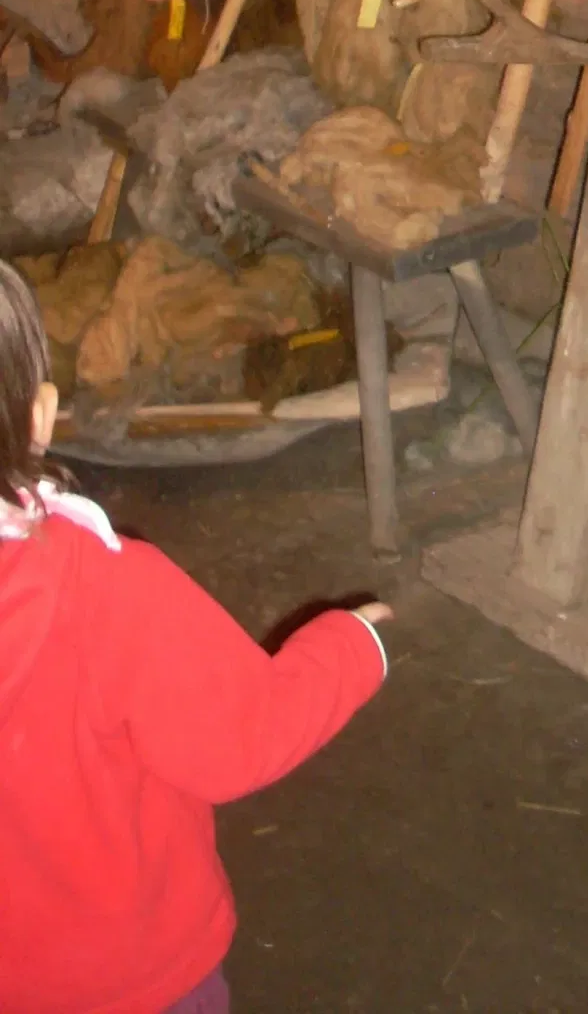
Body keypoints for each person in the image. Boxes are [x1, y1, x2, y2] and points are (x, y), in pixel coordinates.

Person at [0, 258, 391, 1014]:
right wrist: (348, 649)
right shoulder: (100, 591)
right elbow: (242, 736)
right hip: (135, 976)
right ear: (40, 417)